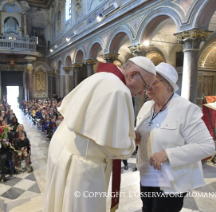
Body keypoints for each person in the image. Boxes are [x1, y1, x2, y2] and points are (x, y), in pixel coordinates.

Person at [43, 56, 156, 212]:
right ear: (133, 74)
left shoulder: (101, 77)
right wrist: (131, 143)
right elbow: (117, 149)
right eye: (144, 86)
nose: (142, 92)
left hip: (62, 146)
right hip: (81, 162)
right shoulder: (119, 90)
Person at [135, 62, 215, 212]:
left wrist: (168, 154)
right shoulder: (147, 106)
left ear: (169, 86)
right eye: (147, 83)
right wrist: (136, 135)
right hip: (147, 173)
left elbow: (207, 146)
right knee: (147, 207)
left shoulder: (186, 109)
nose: (147, 88)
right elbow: (145, 129)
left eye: (153, 83)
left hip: (171, 179)